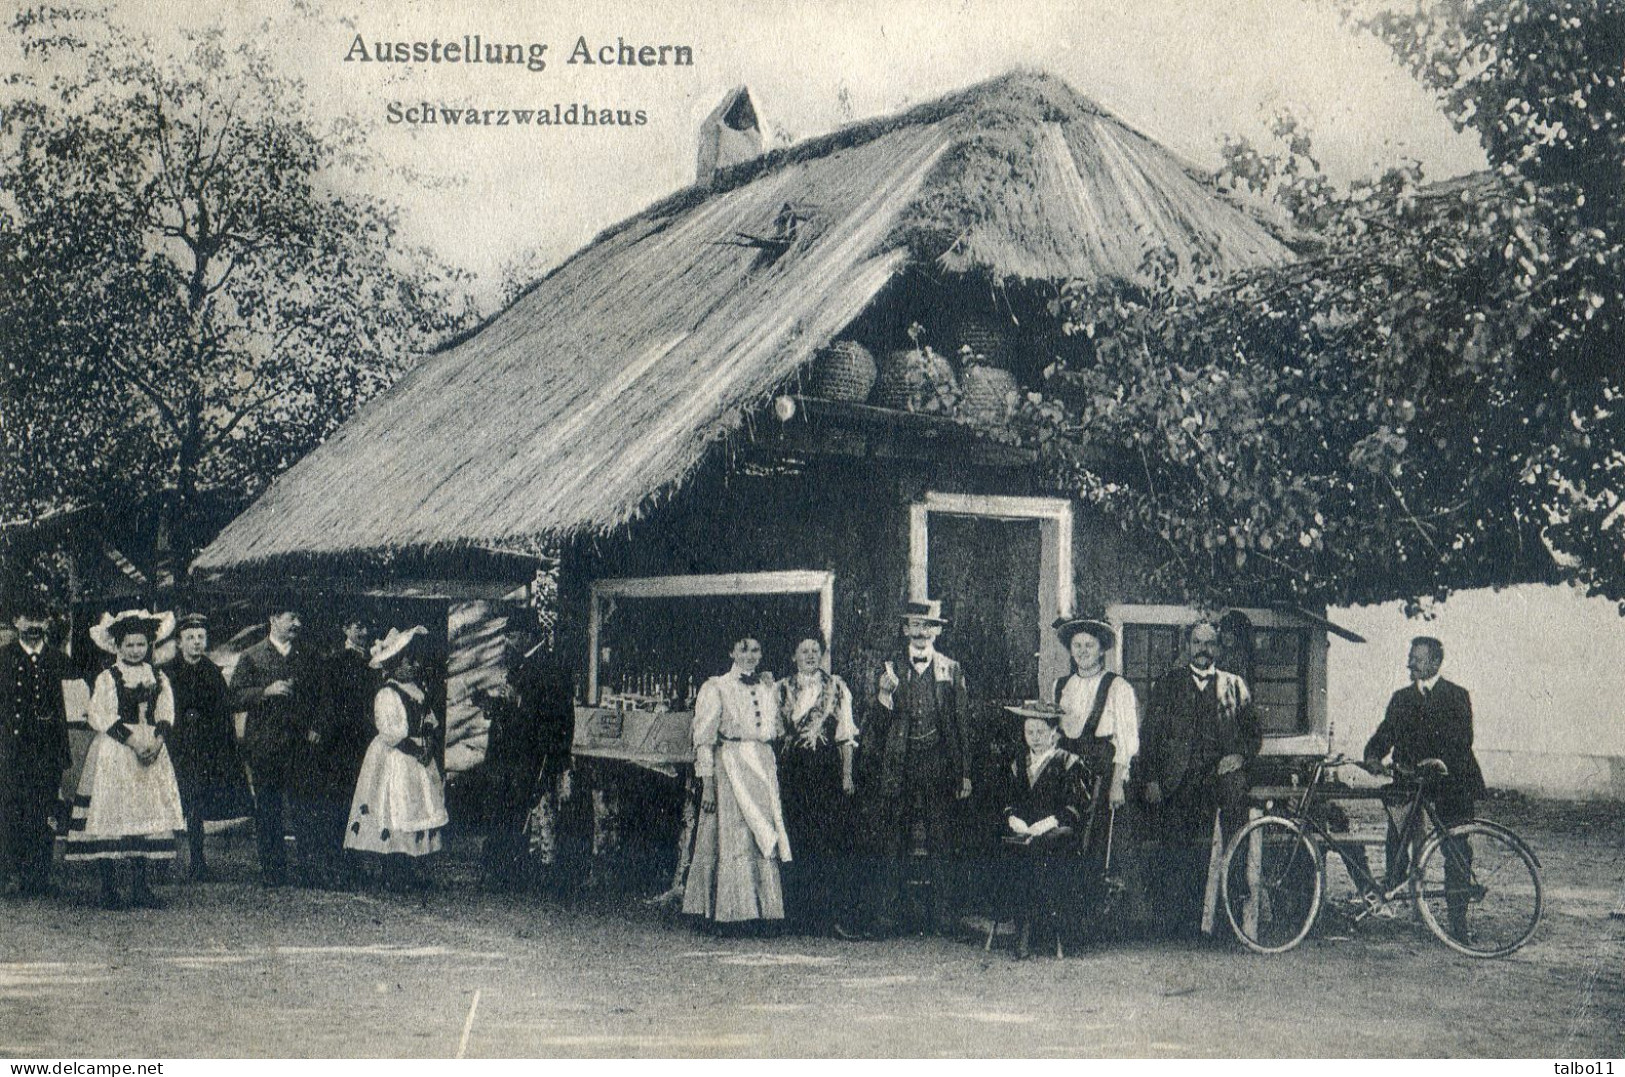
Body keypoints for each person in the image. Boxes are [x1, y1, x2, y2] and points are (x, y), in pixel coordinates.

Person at [854, 599, 973, 938]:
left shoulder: (951, 669)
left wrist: (964, 771)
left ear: (937, 631)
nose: (921, 633)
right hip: (900, 764)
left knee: (941, 840)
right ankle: (890, 917)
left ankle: (944, 919)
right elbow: (873, 722)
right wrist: (883, 695)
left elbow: (962, 723)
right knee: (894, 840)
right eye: (915, 626)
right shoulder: (889, 667)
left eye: (928, 626)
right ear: (906, 629)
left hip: (938, 763)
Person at [1139, 616, 1262, 938]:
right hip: (1177, 782)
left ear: (1218, 648)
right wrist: (1151, 779)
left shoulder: (1235, 685)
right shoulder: (1167, 684)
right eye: (1197, 643)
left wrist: (1239, 756)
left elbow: (1253, 736)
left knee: (1228, 846)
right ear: (1187, 647)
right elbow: (1149, 737)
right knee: (1176, 849)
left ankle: (1224, 923)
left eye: (1209, 643)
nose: (1203, 649)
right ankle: (1176, 925)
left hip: (1219, 783)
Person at [1363, 635, 1486, 941]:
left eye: (1416, 659)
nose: (1410, 663)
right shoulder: (1401, 698)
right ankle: (1396, 886)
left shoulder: (1457, 696)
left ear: (1434, 662)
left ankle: (1458, 924)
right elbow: (1385, 734)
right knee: (1398, 835)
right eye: (1410, 657)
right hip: (1411, 782)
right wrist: (1372, 755)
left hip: (1451, 782)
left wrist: (1437, 760)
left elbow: (1462, 740)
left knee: (1456, 849)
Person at [66, 610, 187, 909]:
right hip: (117, 751)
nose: (136, 650)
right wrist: (133, 741)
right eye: (130, 645)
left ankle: (140, 885)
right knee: (111, 811)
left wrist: (157, 742)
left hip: (150, 751)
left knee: (143, 813)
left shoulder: (157, 676)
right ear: (118, 647)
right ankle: (108, 887)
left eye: (141, 645)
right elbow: (100, 714)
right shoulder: (108, 677)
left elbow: (166, 711)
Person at [682, 636, 792, 930]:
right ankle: (730, 913)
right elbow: (703, 739)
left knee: (762, 834)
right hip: (729, 765)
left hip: (761, 762)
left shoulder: (768, 686)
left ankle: (762, 912)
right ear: (731, 651)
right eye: (743, 649)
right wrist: (707, 784)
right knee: (732, 835)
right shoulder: (716, 687)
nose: (750, 655)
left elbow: (775, 728)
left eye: (756, 650)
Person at [1050, 616, 1139, 933]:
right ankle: (1062, 915)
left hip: (1102, 773)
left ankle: (1094, 922)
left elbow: (1126, 742)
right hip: (1068, 771)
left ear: (1102, 650)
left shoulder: (1118, 687)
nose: (1083, 651)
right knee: (1064, 837)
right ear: (1070, 650)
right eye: (1077, 645)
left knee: (1097, 844)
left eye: (1090, 645)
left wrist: (1118, 783)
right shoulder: (1062, 686)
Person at [344, 626, 448, 892]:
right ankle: (394, 869)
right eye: (408, 661)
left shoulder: (415, 690)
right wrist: (414, 750)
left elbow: (428, 721)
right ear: (393, 665)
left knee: (416, 808)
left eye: (415, 661)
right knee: (393, 809)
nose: (414, 666)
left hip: (417, 756)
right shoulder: (388, 694)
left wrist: (428, 744)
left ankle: (411, 866)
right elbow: (391, 732)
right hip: (396, 758)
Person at [481, 630, 577, 893]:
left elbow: (546, 714)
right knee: (513, 808)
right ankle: (507, 868)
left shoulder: (544, 666)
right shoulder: (523, 664)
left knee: (526, 809)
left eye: (512, 635)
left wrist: (514, 704)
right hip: (514, 752)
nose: (507, 642)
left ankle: (522, 870)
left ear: (527, 637)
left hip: (530, 753)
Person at [776, 635, 857, 935]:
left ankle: (827, 918)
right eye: (804, 651)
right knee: (796, 837)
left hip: (824, 769)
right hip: (792, 770)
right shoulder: (780, 688)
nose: (810, 656)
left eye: (815, 651)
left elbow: (846, 735)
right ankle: (798, 917)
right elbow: (772, 731)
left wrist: (847, 775)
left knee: (826, 839)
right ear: (794, 655)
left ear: (822, 655)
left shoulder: (837, 687)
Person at [998, 701, 1091, 959]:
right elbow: (1007, 800)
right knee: (1009, 852)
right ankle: (1021, 927)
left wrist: (1049, 823)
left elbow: (1077, 807)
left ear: (1054, 732)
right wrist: (1012, 818)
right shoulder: (1018, 763)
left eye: (1040, 732)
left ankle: (1039, 934)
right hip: (1024, 833)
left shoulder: (1068, 762)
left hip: (1057, 836)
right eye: (1030, 732)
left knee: (1042, 855)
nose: (1035, 738)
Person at [163, 613, 249, 881]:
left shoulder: (212, 673)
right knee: (168, 803)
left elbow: (222, 713)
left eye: (201, 638)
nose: (196, 643)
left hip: (202, 748)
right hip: (174, 745)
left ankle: (198, 862)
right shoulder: (167, 672)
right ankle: (159, 863)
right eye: (190, 638)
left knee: (196, 807)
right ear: (179, 642)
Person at [294, 616, 378, 888]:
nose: (363, 631)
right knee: (339, 803)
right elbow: (327, 701)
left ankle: (355, 864)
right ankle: (336, 865)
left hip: (367, 742)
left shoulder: (376, 663)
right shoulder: (335, 661)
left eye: (366, 626)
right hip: (340, 744)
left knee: (362, 802)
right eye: (357, 626)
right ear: (345, 628)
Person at [230, 603, 308, 888]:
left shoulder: (305, 656)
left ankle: (307, 867)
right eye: (292, 616)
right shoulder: (252, 656)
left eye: (299, 617)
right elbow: (235, 696)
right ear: (274, 618)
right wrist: (265, 691)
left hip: (300, 745)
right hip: (265, 745)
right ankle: (273, 870)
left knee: (302, 807)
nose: (296, 623)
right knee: (268, 808)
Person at [0, 600, 72, 897]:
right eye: (27, 617)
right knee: (8, 810)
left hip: (46, 751)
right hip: (10, 749)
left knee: (43, 811)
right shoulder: (3, 659)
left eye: (39, 618)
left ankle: (38, 876)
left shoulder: (59, 660)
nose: (33, 624)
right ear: (16, 620)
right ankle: (5, 875)